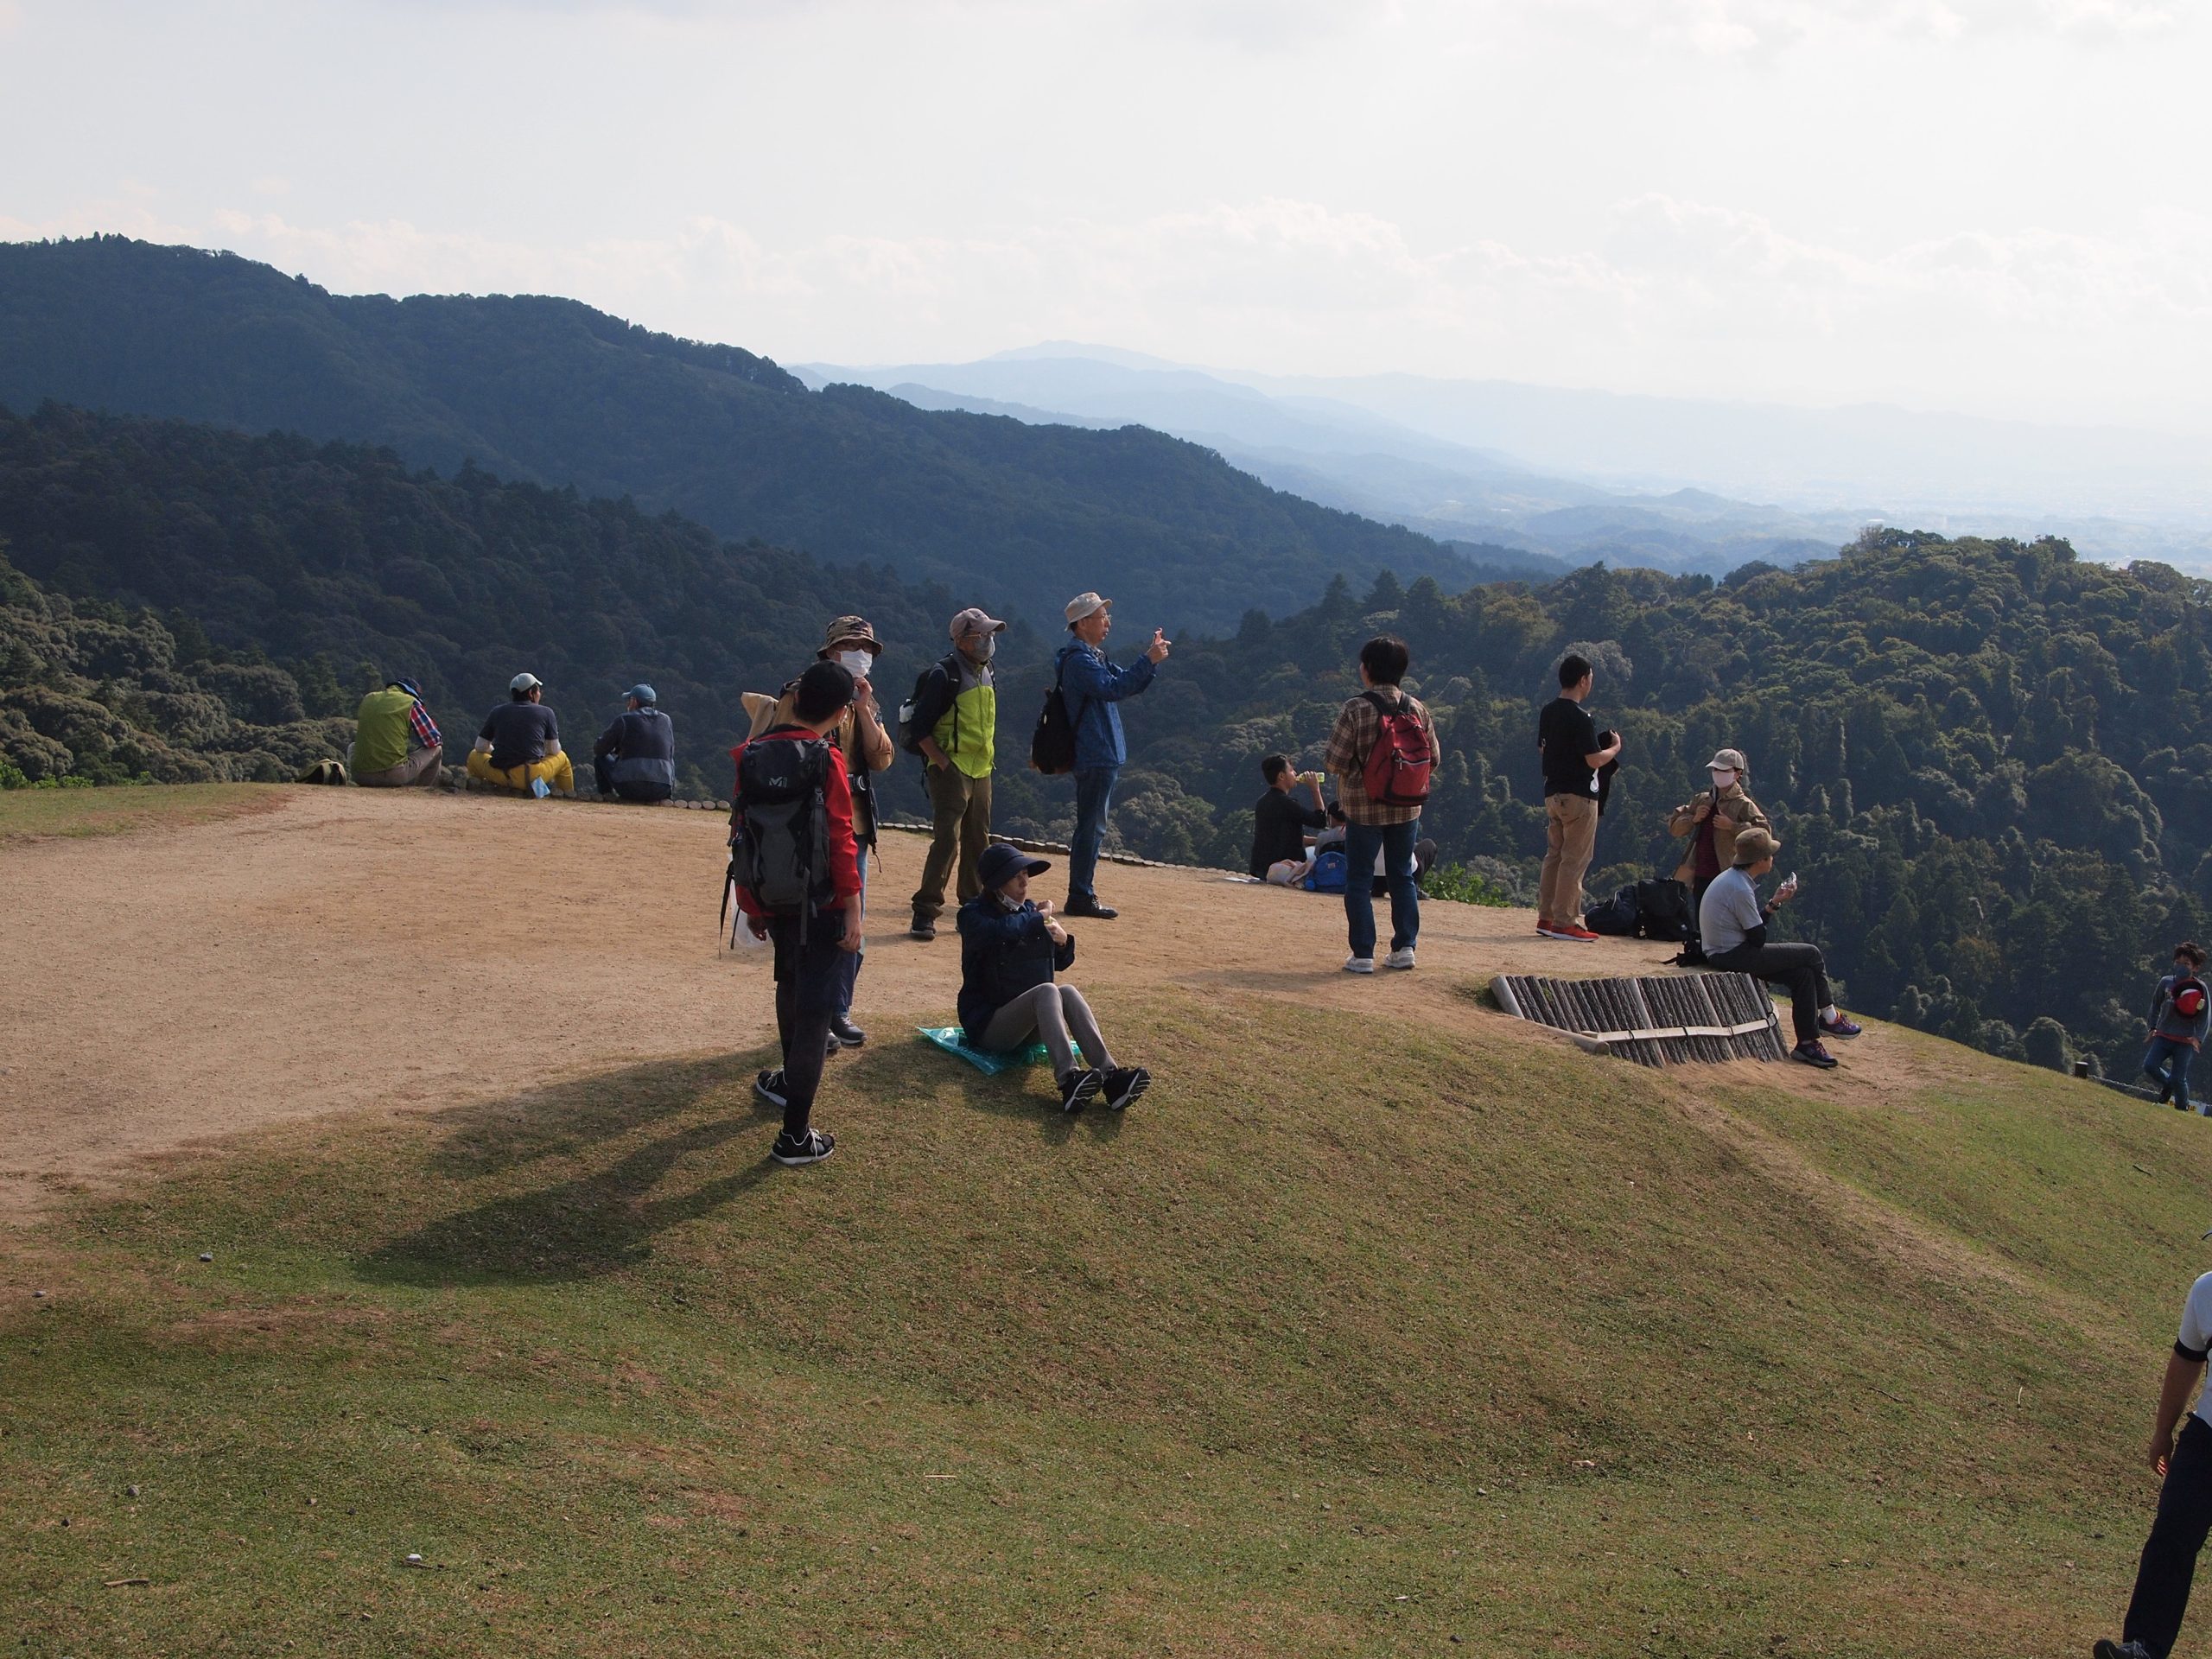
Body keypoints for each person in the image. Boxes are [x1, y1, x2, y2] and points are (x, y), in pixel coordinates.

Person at [731, 660, 866, 1167]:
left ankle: (787, 1083)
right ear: (839, 712)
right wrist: (853, 911)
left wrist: (755, 906)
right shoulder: (826, 758)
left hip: (776, 899)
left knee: (790, 989)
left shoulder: (752, 752)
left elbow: (743, 833)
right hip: (824, 905)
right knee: (815, 1017)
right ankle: (795, 1136)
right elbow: (839, 838)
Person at [743, 616, 896, 1048]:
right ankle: (808, 1015)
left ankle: (836, 1009)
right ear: (830, 652)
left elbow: (882, 758)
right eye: (851, 645)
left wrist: (863, 709)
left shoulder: (865, 700)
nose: (860, 654)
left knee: (852, 922)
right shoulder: (801, 693)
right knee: (806, 919)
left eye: (866, 648)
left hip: (855, 825)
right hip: (802, 825)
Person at [957, 841, 1149, 1114]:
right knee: (1047, 990)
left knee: (1066, 991)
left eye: (1026, 875)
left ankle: (1111, 1077)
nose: (1025, 883)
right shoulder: (973, 915)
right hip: (989, 1027)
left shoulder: (1029, 912)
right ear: (997, 883)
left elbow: (1061, 964)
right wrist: (1041, 918)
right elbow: (1000, 933)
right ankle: (1069, 1080)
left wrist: (1062, 942)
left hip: (1029, 1025)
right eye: (1016, 876)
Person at [2092, 1270, 2212, 1659]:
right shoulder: (2207, 1289)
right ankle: (2145, 1647)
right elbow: (2186, 1359)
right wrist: (2164, 1430)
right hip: (2206, 1438)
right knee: (2170, 1539)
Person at [1323, 634, 1440, 974]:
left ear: (1368, 669)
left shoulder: (1355, 708)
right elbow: (1433, 758)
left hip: (1364, 808)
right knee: (1402, 875)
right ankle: (1405, 948)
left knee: (1358, 879)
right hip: (1407, 808)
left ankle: (1362, 955)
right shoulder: (1417, 708)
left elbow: (1334, 761)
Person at [1697, 828, 1862, 1068]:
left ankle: (1808, 1043)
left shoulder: (1733, 880)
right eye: (1770, 854)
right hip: (1731, 955)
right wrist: (1774, 906)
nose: (1773, 858)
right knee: (1812, 954)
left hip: (1726, 950)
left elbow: (1750, 928)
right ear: (1761, 860)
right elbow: (1757, 939)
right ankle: (1829, 1017)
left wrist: (1774, 903)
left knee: (1803, 975)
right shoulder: (1740, 889)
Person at [1055, 592, 1168, 919]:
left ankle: (1081, 893)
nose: (1107, 622)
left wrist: (1149, 662)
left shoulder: (1090, 656)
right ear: (1082, 624)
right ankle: (1080, 895)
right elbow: (1114, 688)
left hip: (1099, 752)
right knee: (1092, 827)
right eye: (1102, 616)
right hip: (1095, 752)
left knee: (1092, 826)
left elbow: (1123, 683)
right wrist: (1148, 660)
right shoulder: (1080, 661)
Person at [907, 607, 1003, 941]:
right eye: (982, 635)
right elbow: (920, 728)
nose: (989, 641)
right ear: (962, 640)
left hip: (982, 768)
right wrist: (943, 763)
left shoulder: (987, 669)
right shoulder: (944, 674)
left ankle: (972, 909)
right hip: (952, 767)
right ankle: (926, 911)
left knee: (979, 839)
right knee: (947, 839)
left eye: (991, 634)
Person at [1535, 652, 1621, 942]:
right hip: (1580, 796)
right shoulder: (1582, 717)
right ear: (1583, 680)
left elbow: (1543, 750)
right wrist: (1614, 749)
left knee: (1554, 856)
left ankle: (1546, 917)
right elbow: (1593, 760)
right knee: (1576, 859)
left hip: (1552, 792)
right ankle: (1566, 921)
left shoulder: (1548, 711)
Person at [1668, 747, 1771, 951]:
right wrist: (1693, 818)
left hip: (1727, 873)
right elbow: (1675, 828)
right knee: (1701, 917)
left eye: (1724, 771)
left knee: (1727, 920)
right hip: (1700, 871)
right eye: (1716, 770)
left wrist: (1733, 826)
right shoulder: (1702, 799)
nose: (1718, 775)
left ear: (1737, 774)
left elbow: (1764, 834)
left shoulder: (1744, 805)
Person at [466, 672, 574, 795]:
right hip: (531, 775)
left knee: (474, 755)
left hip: (501, 775)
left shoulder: (497, 711)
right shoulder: (546, 712)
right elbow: (553, 750)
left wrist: (496, 751)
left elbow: (480, 746)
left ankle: (479, 790)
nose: (540, 694)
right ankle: (566, 795)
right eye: (538, 691)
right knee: (563, 758)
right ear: (530, 693)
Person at [2143, 943, 2212, 1113]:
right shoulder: (2166, 982)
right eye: (2178, 962)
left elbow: (2205, 1015)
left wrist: (2199, 1038)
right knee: (2150, 1066)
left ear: (2195, 968)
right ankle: (2167, 1084)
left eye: (2186, 964)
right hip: (2163, 1036)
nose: (2181, 967)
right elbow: (2155, 1005)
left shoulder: (2199, 988)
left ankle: (2182, 1109)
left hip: (2185, 1041)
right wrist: (2152, 1027)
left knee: (2179, 1079)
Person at [349, 677, 443, 788]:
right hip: (392, 775)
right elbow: (434, 740)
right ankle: (422, 790)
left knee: (352, 746)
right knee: (437, 749)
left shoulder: (369, 698)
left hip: (360, 776)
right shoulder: (410, 703)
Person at [591, 683, 677, 804]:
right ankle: (667, 799)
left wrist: (617, 750)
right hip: (661, 789)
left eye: (629, 700)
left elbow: (599, 749)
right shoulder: (666, 720)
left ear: (634, 701)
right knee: (669, 759)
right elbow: (670, 751)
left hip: (630, 788)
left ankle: (606, 797)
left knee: (600, 759)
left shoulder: (624, 719)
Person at [1250, 754, 1329, 880]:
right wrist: (1315, 790)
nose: (1295, 773)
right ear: (1281, 776)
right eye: (1291, 770)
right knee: (1315, 854)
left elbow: (1285, 836)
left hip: (1260, 867)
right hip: (1284, 868)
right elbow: (1320, 821)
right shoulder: (1287, 803)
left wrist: (1319, 840)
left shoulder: (1262, 801)